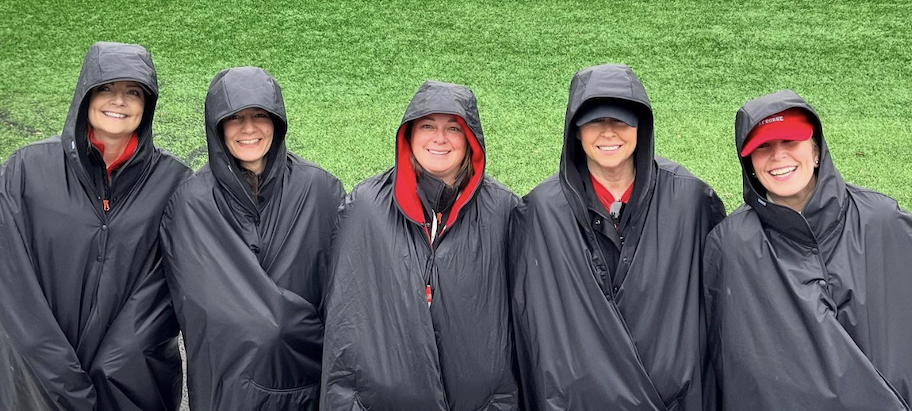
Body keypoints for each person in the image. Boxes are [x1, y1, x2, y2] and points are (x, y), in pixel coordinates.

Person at [510, 63, 726, 411]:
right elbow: (525, 326)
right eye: (595, 121)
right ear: (575, 131)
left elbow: (719, 312)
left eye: (620, 120)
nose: (608, 133)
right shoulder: (539, 211)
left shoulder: (691, 201)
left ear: (641, 126)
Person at [0, 42, 192, 411]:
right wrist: (59, 373)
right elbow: (12, 281)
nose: (118, 101)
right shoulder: (26, 169)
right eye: (106, 88)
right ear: (85, 94)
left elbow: (170, 286)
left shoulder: (175, 181)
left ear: (147, 105)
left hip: (133, 382)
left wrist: (118, 364)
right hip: (37, 381)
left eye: (133, 92)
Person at [704, 90, 912, 410]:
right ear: (749, 164)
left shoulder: (882, 221)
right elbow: (727, 365)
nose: (778, 156)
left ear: (816, 151)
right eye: (763, 147)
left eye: (790, 141)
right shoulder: (731, 247)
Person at [321, 80, 521, 410]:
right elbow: (343, 325)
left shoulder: (504, 210)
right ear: (410, 134)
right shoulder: (365, 207)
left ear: (470, 139)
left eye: (453, 128)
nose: (439, 138)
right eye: (428, 125)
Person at [161, 67, 344, 411]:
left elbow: (343, 293)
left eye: (260, 115)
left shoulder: (320, 190)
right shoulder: (190, 203)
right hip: (227, 389)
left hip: (307, 384)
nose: (249, 128)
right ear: (218, 127)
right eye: (235, 117)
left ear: (278, 121)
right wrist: (284, 328)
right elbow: (202, 312)